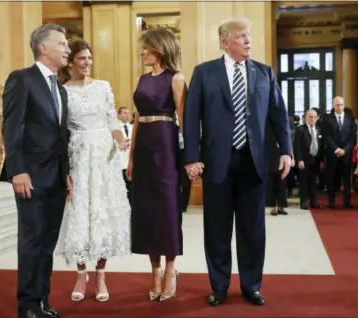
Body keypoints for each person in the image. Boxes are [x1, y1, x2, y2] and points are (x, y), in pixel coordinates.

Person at [183, 18, 292, 307]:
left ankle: (251, 285)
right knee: (217, 229)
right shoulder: (204, 73)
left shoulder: (264, 73)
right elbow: (191, 117)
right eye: (242, 36)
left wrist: (286, 151)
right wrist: (191, 157)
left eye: (249, 36)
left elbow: (279, 116)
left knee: (252, 230)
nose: (248, 41)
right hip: (217, 161)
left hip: (253, 162)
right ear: (225, 42)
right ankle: (219, 286)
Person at [1, 23, 72, 318]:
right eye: (63, 43)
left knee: (47, 242)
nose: (68, 48)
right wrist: (18, 170)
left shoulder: (60, 89)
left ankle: (42, 301)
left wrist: (66, 172)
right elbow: (12, 127)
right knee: (31, 241)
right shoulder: (22, 79)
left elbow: (61, 136)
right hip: (29, 176)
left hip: (55, 177)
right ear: (44, 48)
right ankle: (27, 306)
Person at [55, 38, 131, 303]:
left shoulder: (103, 87)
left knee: (102, 214)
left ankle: (100, 275)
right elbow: (61, 131)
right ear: (71, 62)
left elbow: (112, 120)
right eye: (82, 58)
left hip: (104, 158)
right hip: (78, 155)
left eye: (89, 58)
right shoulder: (62, 91)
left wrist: (120, 140)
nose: (87, 63)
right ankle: (80, 273)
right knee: (80, 215)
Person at [126, 27, 187, 302]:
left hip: (166, 146)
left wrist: (191, 159)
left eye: (146, 47)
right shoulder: (141, 79)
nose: (142, 52)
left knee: (167, 209)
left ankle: (171, 269)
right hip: (144, 149)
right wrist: (131, 157)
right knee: (147, 210)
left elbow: (184, 121)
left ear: (160, 48)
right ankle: (155, 271)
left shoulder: (176, 79)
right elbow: (137, 119)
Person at [323, 96, 356, 209]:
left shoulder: (349, 118)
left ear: (344, 105)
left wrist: (345, 150)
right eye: (337, 105)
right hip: (332, 153)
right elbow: (327, 136)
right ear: (333, 105)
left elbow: (352, 137)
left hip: (346, 154)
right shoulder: (327, 119)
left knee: (347, 179)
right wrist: (337, 149)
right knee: (331, 178)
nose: (339, 107)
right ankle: (331, 202)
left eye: (341, 104)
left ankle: (347, 202)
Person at [294, 109, 323, 210]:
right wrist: (299, 160)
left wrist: (322, 160)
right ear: (305, 118)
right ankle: (304, 202)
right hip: (304, 160)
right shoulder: (300, 129)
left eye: (314, 117)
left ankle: (314, 202)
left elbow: (321, 145)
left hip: (315, 160)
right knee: (304, 182)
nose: (312, 119)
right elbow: (296, 146)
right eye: (310, 117)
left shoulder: (318, 129)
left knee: (314, 182)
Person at [117, 106, 133, 204]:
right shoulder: (115, 129)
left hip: (130, 162)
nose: (127, 115)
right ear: (119, 115)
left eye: (128, 113)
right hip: (120, 161)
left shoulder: (132, 127)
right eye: (124, 113)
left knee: (131, 188)